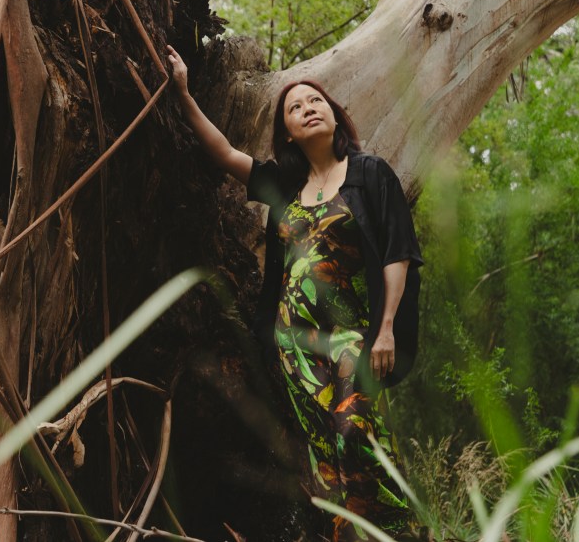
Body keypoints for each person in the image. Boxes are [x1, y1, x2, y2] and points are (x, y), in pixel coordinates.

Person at [167, 45, 423, 541]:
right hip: (294, 347)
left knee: (357, 434)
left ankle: (405, 534)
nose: (308, 107)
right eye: (295, 107)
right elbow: (222, 153)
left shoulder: (371, 175)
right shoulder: (285, 185)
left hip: (350, 339)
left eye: (316, 100)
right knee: (325, 461)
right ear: (287, 131)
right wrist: (181, 93)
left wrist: (387, 327)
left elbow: (399, 255)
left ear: (334, 114)